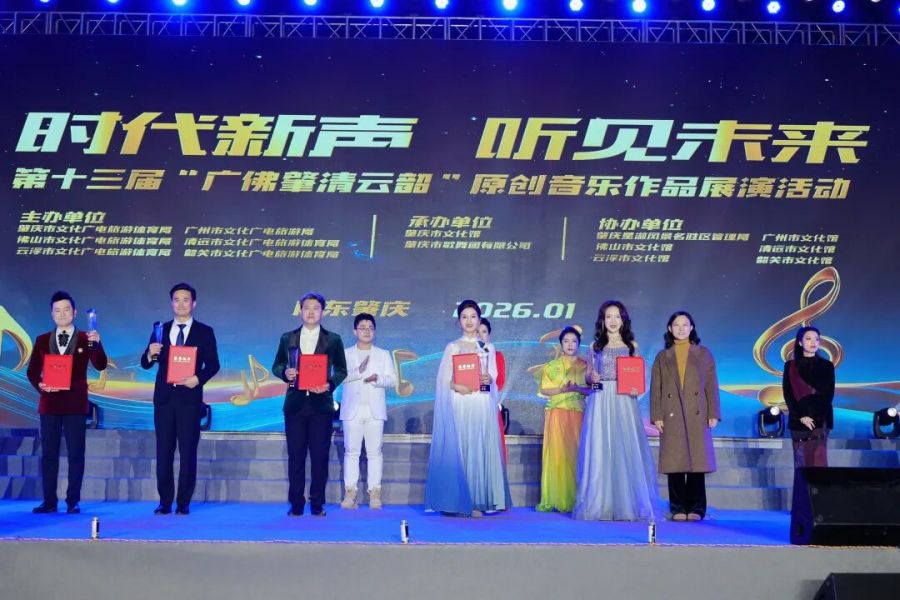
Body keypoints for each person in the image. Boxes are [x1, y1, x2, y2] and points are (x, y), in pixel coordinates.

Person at [424, 299, 511, 516]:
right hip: (460, 403)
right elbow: (443, 380)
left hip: (481, 403)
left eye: (473, 317)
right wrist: (457, 386)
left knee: (478, 449)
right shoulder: (452, 347)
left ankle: (476, 500)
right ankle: (456, 501)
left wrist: (488, 378)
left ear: (479, 320)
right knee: (461, 450)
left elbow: (493, 377)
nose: (469, 321)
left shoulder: (488, 347)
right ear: (459, 321)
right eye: (464, 317)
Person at [573, 300, 658, 521]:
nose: (613, 321)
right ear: (602, 320)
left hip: (624, 400)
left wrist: (636, 388)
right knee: (600, 447)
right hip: (601, 398)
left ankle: (627, 504)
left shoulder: (632, 346)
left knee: (624, 446)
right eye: (608, 316)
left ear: (623, 320)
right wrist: (591, 377)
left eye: (617, 316)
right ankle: (599, 503)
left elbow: (639, 376)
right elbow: (588, 375)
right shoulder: (595, 346)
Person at [141, 282, 220, 516]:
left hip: (189, 400)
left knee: (188, 452)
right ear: (171, 303)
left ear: (193, 303)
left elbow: (214, 365)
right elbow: (146, 363)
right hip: (164, 400)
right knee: (163, 452)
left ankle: (183, 502)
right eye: (177, 300)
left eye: (186, 300)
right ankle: (164, 501)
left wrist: (198, 378)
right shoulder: (161, 329)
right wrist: (149, 354)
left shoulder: (204, 331)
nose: (181, 304)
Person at [26, 291, 107, 514]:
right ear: (52, 314)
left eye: (66, 309)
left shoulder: (86, 338)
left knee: (76, 454)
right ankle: (49, 501)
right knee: (49, 455)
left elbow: (100, 365)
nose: (62, 314)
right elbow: (32, 371)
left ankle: (73, 501)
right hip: (49, 404)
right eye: (57, 310)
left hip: (75, 404)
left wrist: (97, 344)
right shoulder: (42, 340)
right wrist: (41, 385)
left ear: (75, 312)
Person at [272, 292, 347, 517]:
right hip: (295, 405)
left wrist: (328, 384)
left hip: (320, 406)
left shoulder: (333, 339)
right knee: (295, 456)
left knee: (319, 457)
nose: (311, 312)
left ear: (323, 312)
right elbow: (277, 365)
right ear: (300, 310)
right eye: (307, 308)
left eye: (316, 308)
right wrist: (285, 373)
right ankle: (296, 503)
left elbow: (341, 370)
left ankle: (317, 504)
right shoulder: (288, 338)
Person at [650, 311, 721, 522]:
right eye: (676, 325)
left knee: (698, 462)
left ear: (691, 328)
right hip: (671, 412)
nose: (681, 329)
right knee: (675, 462)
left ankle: (697, 508)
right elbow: (656, 388)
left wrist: (713, 412)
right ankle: (678, 507)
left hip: (697, 412)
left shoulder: (704, 354)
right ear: (669, 329)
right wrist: (657, 415)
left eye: (685, 324)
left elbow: (711, 385)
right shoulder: (663, 356)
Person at [339, 313, 397, 510]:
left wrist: (377, 379)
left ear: (375, 331)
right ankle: (350, 492)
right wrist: (358, 371)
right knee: (351, 452)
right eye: (362, 327)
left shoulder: (383, 354)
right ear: (354, 331)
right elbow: (338, 377)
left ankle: (375, 492)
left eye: (370, 328)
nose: (366, 331)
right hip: (352, 411)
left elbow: (392, 380)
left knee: (375, 452)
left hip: (374, 411)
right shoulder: (345, 353)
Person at [536, 326, 589, 513]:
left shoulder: (586, 366)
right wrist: (562, 390)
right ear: (560, 344)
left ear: (579, 344)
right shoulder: (551, 366)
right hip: (557, 413)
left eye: (573, 341)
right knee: (557, 456)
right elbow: (544, 389)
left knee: (577, 456)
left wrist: (578, 389)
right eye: (566, 341)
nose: (570, 344)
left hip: (578, 413)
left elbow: (592, 389)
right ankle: (556, 498)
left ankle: (577, 499)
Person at [782, 326, 835, 468]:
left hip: (820, 420)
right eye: (808, 339)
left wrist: (814, 417)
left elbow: (828, 394)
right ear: (800, 342)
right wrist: (801, 416)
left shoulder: (827, 366)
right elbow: (788, 394)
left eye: (816, 339)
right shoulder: (790, 366)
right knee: (801, 464)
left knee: (818, 462)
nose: (813, 342)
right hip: (799, 420)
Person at [476, 317, 508, 462]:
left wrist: (489, 380)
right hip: (470, 406)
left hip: (489, 405)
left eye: (484, 332)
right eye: (477, 332)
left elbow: (500, 383)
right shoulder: (465, 356)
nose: (480, 335)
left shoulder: (496, 355)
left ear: (489, 334)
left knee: (490, 449)